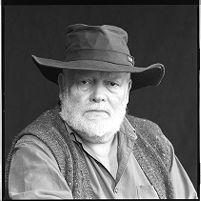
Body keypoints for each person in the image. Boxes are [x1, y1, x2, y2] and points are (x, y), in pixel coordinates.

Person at [5, 24, 197, 199]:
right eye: (85, 82)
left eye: (112, 83)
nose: (99, 96)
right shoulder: (36, 150)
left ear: (127, 91)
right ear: (63, 86)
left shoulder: (154, 140)